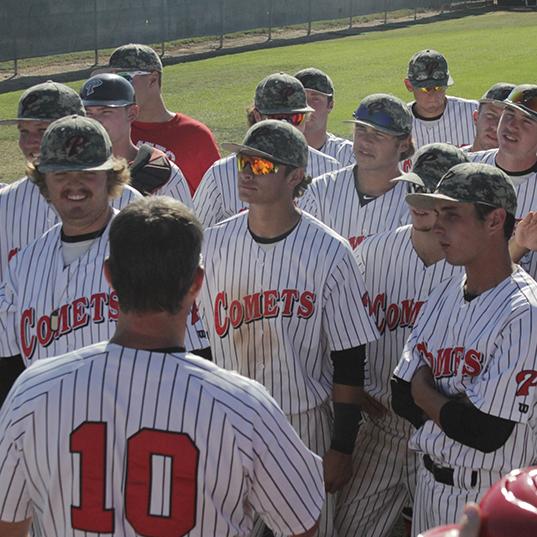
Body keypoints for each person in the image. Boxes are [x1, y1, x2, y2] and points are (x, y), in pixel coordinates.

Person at [0, 196, 324, 537]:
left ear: (109, 276)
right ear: (197, 283)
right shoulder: (244, 405)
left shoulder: (34, 391)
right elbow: (302, 524)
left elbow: (8, 523)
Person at [199, 119, 380, 536]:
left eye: (262, 166)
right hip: (227, 422)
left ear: (295, 176)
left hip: (301, 427)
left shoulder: (329, 252)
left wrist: (341, 446)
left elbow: (350, 358)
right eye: (244, 161)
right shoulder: (213, 245)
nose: (246, 172)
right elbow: (201, 343)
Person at [0, 116, 207, 405]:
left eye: (87, 172)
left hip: (146, 422)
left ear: (110, 177)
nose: (74, 185)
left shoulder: (150, 246)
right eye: (61, 174)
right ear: (44, 181)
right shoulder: (23, 267)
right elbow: (9, 372)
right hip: (52, 434)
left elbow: (198, 354)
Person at [392, 162, 537, 535]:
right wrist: (450, 406)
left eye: (452, 214)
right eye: (437, 213)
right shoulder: (443, 293)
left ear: (494, 221)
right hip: (427, 488)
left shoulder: (525, 314)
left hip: (493, 503)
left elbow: (485, 432)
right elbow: (399, 396)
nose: (437, 225)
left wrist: (425, 391)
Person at [336, 144, 468, 537]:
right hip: (381, 428)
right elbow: (338, 332)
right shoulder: (372, 253)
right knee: (349, 530)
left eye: (432, 195)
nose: (418, 202)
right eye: (415, 190)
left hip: (446, 434)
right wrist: (353, 392)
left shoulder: (471, 265)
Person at [0, 81, 141, 283]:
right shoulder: (5, 204)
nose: (30, 142)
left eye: (42, 130)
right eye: (24, 131)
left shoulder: (127, 201)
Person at [193, 72, 340, 228]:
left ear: (306, 118)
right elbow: (196, 235)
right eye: (276, 117)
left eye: (295, 117)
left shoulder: (330, 170)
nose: (286, 125)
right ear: (257, 116)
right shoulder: (220, 174)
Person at [299, 93, 414, 249]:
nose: (366, 141)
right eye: (361, 129)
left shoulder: (417, 204)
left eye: (378, 134)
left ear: (404, 144)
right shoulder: (318, 192)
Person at [105, 43, 220, 195]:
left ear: (153, 79)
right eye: (112, 79)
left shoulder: (195, 135)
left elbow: (220, 198)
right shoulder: (110, 132)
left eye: (124, 78)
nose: (117, 87)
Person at [80, 73, 192, 204]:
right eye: (88, 113)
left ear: (132, 113)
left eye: (106, 112)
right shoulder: (67, 169)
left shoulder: (163, 173)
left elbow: (184, 223)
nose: (96, 121)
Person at [469, 85, 537, 277]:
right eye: (509, 114)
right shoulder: (464, 168)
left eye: (527, 121)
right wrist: (519, 244)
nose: (512, 126)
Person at [404, 49, 478, 149]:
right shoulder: (398, 121)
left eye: (439, 87)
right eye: (426, 88)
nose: (433, 93)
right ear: (409, 85)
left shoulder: (474, 112)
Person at [294, 67, 354, 166]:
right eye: (301, 98)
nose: (307, 106)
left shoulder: (349, 156)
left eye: (315, 99)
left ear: (330, 105)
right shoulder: (273, 152)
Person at [465, 83, 515, 152]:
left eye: (506, 119)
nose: (496, 127)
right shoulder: (452, 160)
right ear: (476, 118)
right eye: (490, 116)